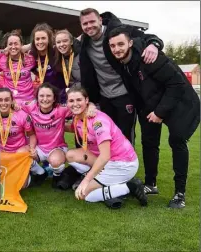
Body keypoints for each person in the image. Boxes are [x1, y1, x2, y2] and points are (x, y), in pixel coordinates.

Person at [108, 26, 201, 208]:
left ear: (130, 43)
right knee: (149, 143)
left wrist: (160, 112)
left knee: (177, 141)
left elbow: (177, 84)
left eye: (121, 44)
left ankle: (179, 194)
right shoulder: (122, 64)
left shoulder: (149, 57)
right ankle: (151, 184)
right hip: (149, 106)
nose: (117, 49)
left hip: (179, 104)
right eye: (113, 46)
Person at [78, 8, 164, 143]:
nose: (89, 26)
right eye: (85, 24)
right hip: (104, 97)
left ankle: (128, 163)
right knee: (106, 135)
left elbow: (146, 37)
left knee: (125, 136)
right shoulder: (84, 42)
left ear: (100, 20)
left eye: (92, 21)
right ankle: (112, 164)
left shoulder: (117, 30)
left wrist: (154, 44)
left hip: (125, 94)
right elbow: (60, 43)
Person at [64, 86, 147, 209]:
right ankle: (105, 181)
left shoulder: (98, 122)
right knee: (71, 155)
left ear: (87, 101)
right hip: (109, 161)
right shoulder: (78, 117)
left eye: (79, 100)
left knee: (85, 194)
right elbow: (70, 127)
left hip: (122, 164)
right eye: (71, 101)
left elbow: (105, 156)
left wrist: (87, 180)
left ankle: (130, 187)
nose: (75, 104)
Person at [20, 83, 96, 189]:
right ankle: (41, 173)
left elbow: (80, 106)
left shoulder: (61, 109)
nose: (45, 99)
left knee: (55, 161)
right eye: (41, 96)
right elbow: (13, 104)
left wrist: (91, 106)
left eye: (48, 96)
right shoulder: (31, 107)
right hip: (38, 148)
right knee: (21, 153)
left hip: (57, 148)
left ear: (54, 98)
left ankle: (56, 177)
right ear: (37, 97)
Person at [0, 88, 45, 187]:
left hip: (19, 152)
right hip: (2, 153)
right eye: (0, 100)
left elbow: (31, 134)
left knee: (21, 185)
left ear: (12, 100)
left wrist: (32, 148)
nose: (3, 103)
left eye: (7, 99)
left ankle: (34, 168)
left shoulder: (21, 115)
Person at [27, 23, 68, 103]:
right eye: (37, 39)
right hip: (45, 98)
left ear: (49, 39)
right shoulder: (31, 56)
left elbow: (69, 42)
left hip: (62, 97)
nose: (40, 41)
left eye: (43, 38)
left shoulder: (57, 52)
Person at [0, 31, 36, 103]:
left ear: (21, 45)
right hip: (10, 101)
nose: (13, 47)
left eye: (16, 44)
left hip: (28, 100)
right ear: (6, 46)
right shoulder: (2, 60)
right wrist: (3, 51)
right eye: (10, 44)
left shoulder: (30, 59)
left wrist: (28, 46)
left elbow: (43, 45)